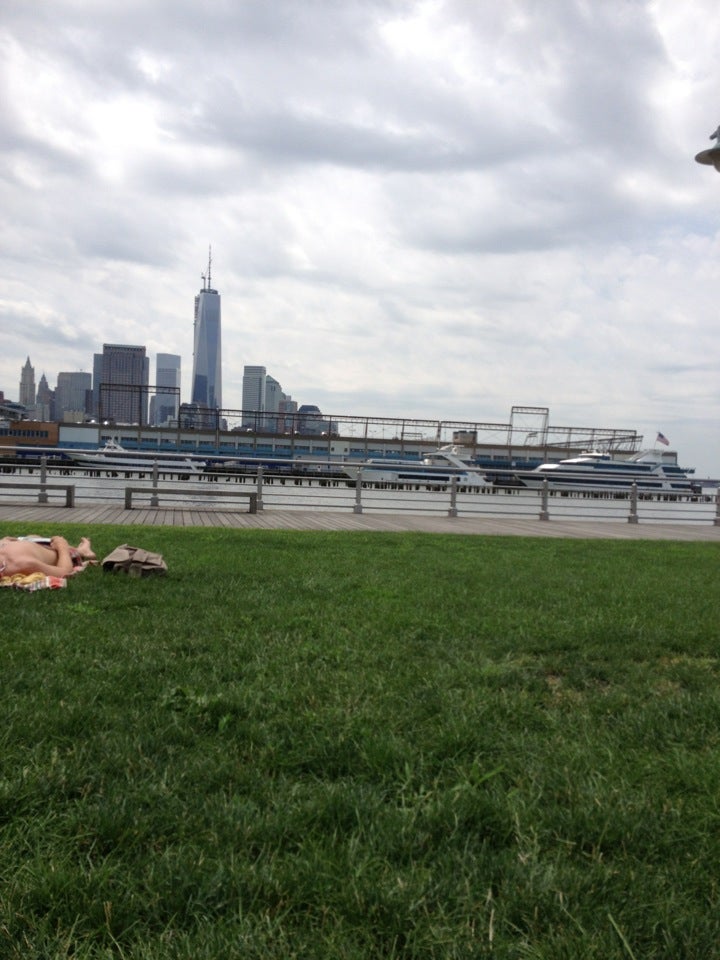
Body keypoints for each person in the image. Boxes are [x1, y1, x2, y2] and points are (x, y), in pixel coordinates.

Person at [0, 535, 96, 579]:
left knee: (33, 536)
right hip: (54, 551)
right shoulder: (21, 564)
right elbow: (65, 571)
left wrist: (5, 541)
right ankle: (84, 552)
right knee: (64, 549)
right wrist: (62, 547)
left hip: (29, 544)